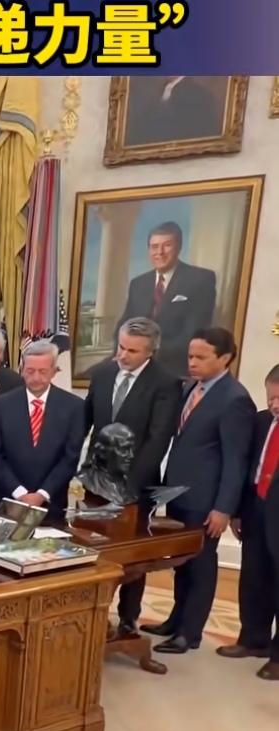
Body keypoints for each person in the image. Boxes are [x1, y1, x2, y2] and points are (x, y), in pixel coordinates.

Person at [150, 328, 255, 656]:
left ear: (225, 358)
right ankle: (175, 621)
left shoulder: (235, 399)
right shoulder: (190, 388)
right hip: (179, 495)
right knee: (181, 562)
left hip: (206, 501)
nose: (192, 363)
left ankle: (189, 633)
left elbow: (236, 461)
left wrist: (224, 508)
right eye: (190, 356)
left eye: (200, 357)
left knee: (201, 565)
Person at [83, 318, 182, 635]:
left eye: (133, 351)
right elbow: (86, 423)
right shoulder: (103, 373)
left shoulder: (166, 383)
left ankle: (128, 619)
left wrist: (127, 486)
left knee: (131, 556)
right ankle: (91, 615)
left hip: (135, 486)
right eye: (121, 346)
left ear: (150, 351)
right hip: (96, 482)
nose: (123, 355)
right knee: (93, 549)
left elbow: (158, 439)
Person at [219, 365, 279, 677]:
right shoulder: (260, 421)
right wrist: (237, 512)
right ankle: (253, 639)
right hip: (256, 508)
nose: (275, 405)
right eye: (271, 397)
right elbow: (246, 468)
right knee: (254, 577)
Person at [0, 339, 86, 519]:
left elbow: (70, 457)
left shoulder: (74, 406)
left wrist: (42, 494)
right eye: (30, 371)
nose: (36, 378)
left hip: (51, 503)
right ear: (21, 370)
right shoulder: (1, 405)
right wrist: (19, 493)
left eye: (43, 371)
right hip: (9, 500)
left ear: (54, 371)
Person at [116, 222, 216, 378]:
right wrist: (121, 353)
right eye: (154, 247)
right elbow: (125, 323)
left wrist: (146, 354)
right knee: (98, 375)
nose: (160, 252)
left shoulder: (201, 279)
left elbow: (194, 331)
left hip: (174, 366)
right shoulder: (138, 283)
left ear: (179, 247)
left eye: (167, 245)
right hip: (135, 362)